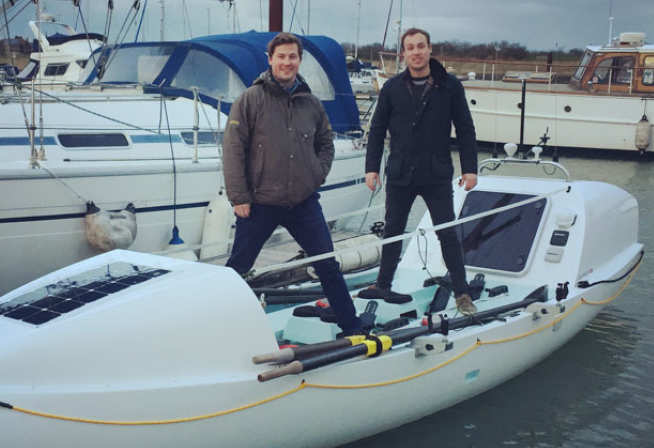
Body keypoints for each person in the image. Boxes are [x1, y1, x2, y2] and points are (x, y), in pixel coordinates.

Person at [222, 32, 363, 335]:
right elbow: (233, 150)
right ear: (270, 59)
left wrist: (316, 174)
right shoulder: (250, 100)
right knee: (237, 269)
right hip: (259, 202)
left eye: (293, 57)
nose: (287, 62)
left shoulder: (310, 103)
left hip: (303, 202)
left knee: (327, 264)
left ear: (299, 60)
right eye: (281, 56)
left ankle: (351, 326)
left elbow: (326, 144)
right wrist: (239, 197)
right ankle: (218, 326)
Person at [363, 27, 478, 315]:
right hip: (401, 173)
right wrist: (370, 169)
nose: (416, 52)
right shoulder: (391, 88)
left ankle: (462, 293)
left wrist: (470, 169)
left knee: (447, 233)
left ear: (429, 50)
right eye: (410, 47)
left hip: (436, 174)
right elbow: (377, 131)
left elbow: (465, 129)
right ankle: (383, 284)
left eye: (420, 46)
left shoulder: (450, 86)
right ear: (404, 54)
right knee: (392, 230)